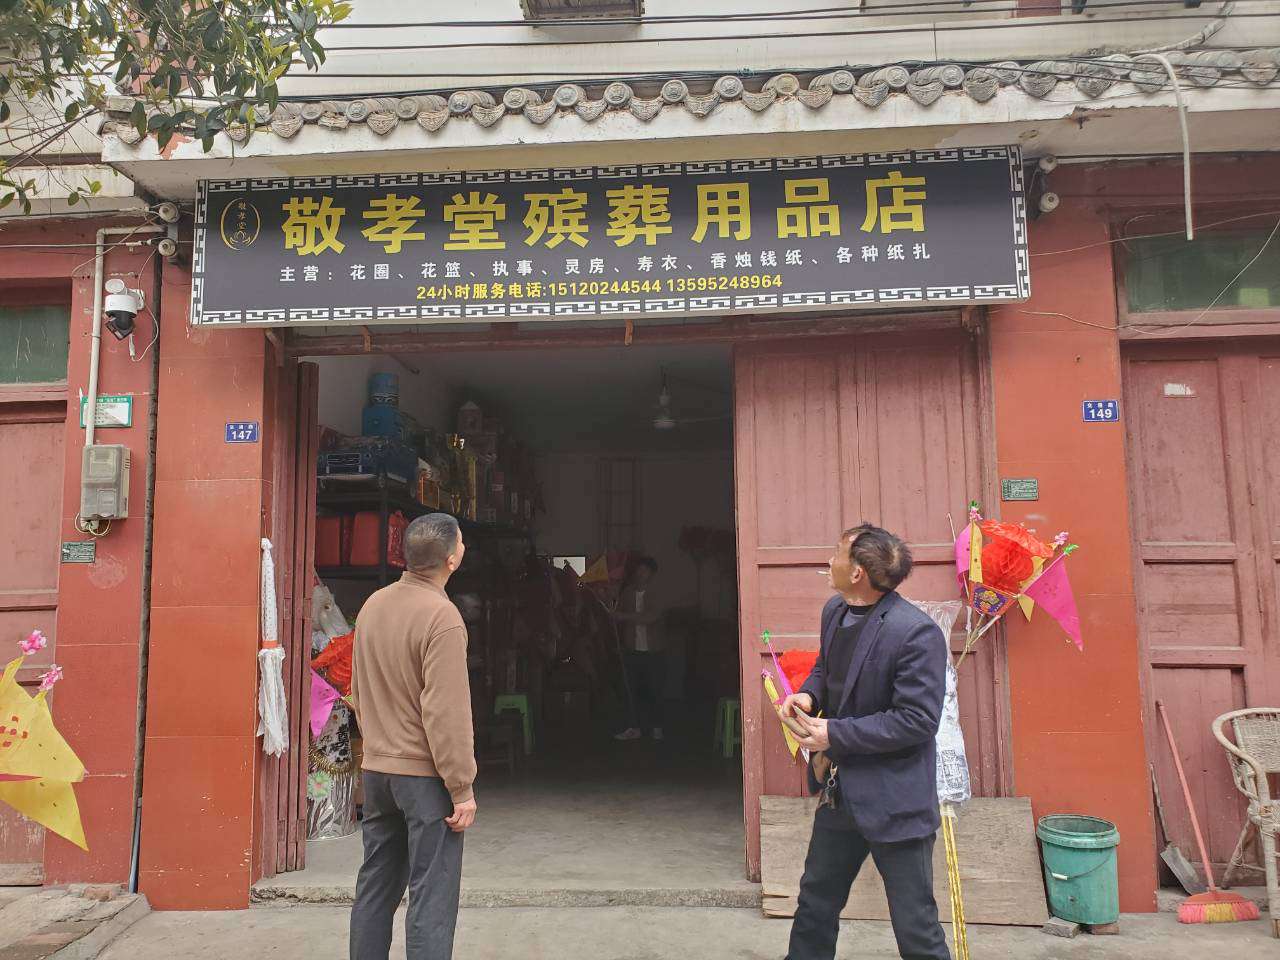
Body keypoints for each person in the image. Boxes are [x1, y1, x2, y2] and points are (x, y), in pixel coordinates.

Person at [781, 524, 950, 960]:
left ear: (857, 572)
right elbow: (827, 668)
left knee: (915, 926)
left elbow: (917, 721)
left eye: (837, 554)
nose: (829, 561)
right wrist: (809, 694)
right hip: (840, 792)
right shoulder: (835, 611)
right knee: (815, 903)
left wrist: (833, 733)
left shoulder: (916, 633)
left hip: (895, 800)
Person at [349, 513, 477, 960]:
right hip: (423, 778)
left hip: (378, 772)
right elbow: (446, 713)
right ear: (452, 558)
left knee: (376, 885)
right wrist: (461, 787)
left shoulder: (373, 605)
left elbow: (357, 690)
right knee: (431, 893)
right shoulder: (443, 617)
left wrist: (378, 747)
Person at [612, 556, 666, 742]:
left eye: (645, 570)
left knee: (655, 690)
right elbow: (616, 613)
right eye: (639, 570)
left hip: (654, 651)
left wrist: (623, 616)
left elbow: (651, 617)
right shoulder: (627, 592)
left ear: (651, 573)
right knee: (630, 690)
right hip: (631, 650)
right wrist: (612, 601)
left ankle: (657, 727)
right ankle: (633, 727)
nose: (640, 573)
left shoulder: (657, 593)